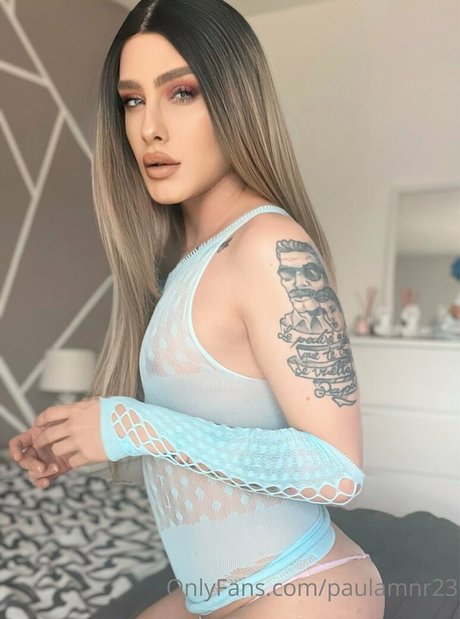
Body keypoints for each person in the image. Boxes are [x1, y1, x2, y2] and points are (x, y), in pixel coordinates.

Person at [9, 1, 386, 617]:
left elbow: (337, 472)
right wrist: (79, 439)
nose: (149, 129)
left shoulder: (268, 245)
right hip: (209, 596)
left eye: (181, 93)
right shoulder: (185, 259)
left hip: (303, 589)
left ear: (236, 101)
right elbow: (200, 441)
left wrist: (131, 425)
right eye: (133, 101)